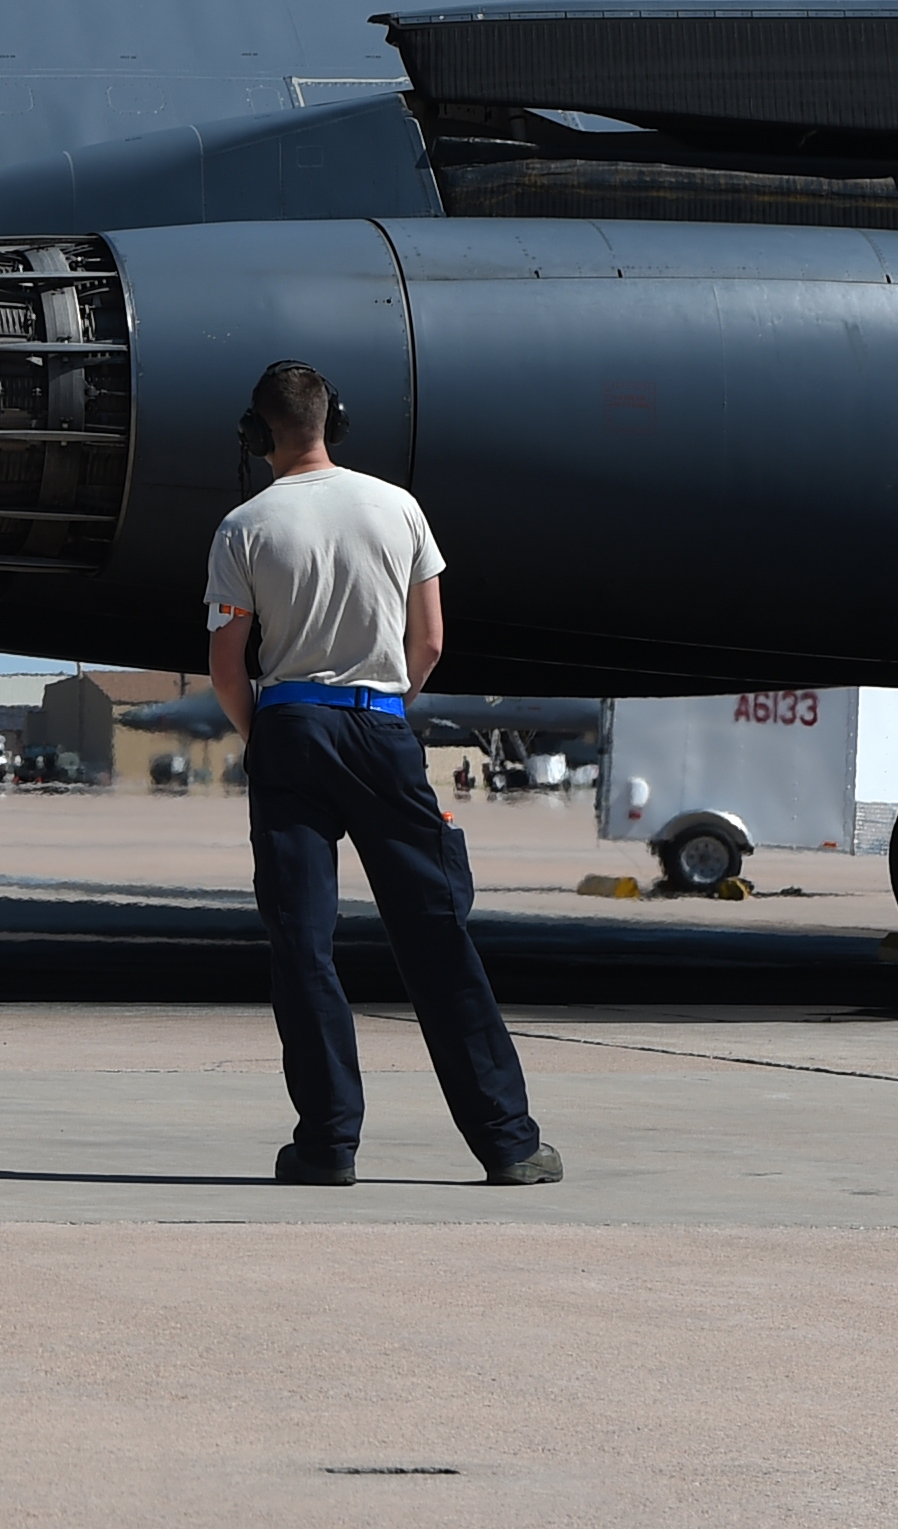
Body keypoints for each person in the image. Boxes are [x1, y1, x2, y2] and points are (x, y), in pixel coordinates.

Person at [204, 360, 564, 1189]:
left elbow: (227, 666)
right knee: (435, 935)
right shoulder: (399, 507)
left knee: (303, 943)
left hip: (290, 726)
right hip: (379, 724)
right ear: (334, 421)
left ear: (257, 434)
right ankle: (508, 1144)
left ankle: (328, 1145)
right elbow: (428, 641)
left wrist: (271, 734)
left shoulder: (242, 527)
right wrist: (381, 708)